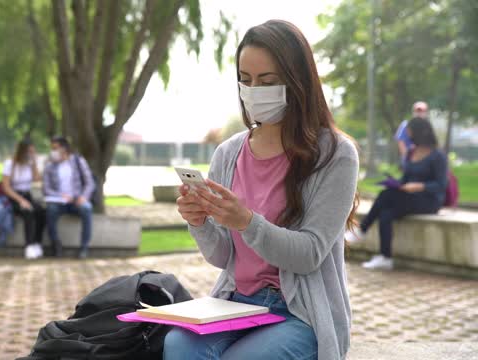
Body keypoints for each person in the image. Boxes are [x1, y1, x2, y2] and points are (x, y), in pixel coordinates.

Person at [164, 20, 359, 360]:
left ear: (297, 81)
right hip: (237, 303)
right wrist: (200, 223)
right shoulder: (228, 153)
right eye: (245, 80)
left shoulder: (335, 154)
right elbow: (223, 257)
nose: (253, 90)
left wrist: (247, 222)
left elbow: (309, 253)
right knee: (177, 346)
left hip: (301, 312)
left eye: (267, 81)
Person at [347, 117, 447, 270]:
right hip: (408, 198)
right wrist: (398, 184)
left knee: (385, 195)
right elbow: (406, 178)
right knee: (386, 214)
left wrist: (420, 186)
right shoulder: (411, 153)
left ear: (419, 133)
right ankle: (385, 258)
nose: (407, 136)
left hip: (429, 201)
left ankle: (362, 230)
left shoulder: (438, 155)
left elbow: (441, 185)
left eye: (410, 133)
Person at [43, 136, 95, 259]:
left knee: (86, 209)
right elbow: (46, 189)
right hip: (59, 202)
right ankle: (56, 246)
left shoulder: (77, 161)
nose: (53, 152)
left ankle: (84, 247)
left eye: (55, 148)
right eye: (52, 149)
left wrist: (84, 197)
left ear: (64, 148)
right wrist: (60, 195)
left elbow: (90, 182)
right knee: (50, 210)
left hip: (77, 200)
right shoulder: (49, 165)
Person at [1, 138, 46, 259]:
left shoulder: (30, 164)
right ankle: (29, 245)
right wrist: (20, 200)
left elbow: (37, 179)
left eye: (32, 152)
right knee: (28, 212)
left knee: (41, 212)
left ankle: (37, 242)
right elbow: (6, 187)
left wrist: (35, 163)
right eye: (29, 152)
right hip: (13, 196)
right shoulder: (10, 164)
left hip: (27, 195)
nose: (30, 155)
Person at [395, 101, 428, 167]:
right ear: (413, 112)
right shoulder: (406, 125)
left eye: (422, 111)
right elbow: (400, 142)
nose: (419, 113)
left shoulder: (427, 127)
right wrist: (408, 157)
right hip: (410, 160)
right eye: (417, 111)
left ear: (426, 113)